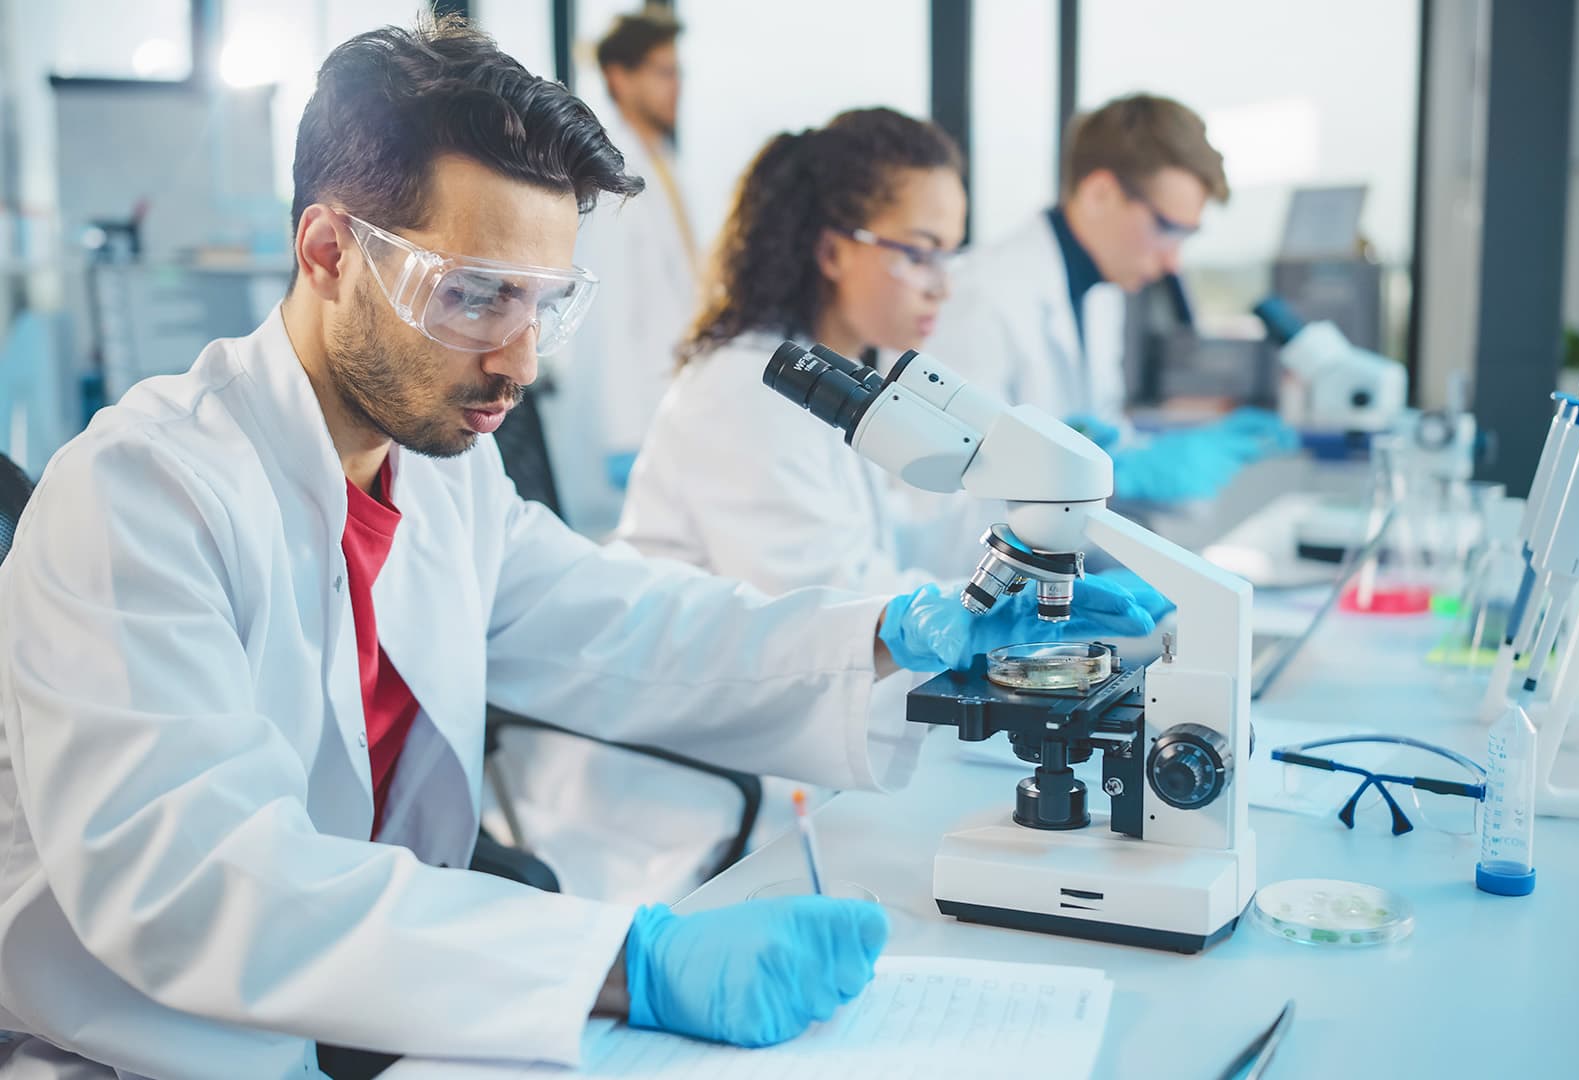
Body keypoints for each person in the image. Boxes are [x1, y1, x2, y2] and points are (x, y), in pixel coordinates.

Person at [0, 21, 1154, 1078]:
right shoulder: (144, 493)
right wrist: (621, 964)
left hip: (366, 1019)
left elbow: (628, 628)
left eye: (543, 303)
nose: (519, 361)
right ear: (328, 251)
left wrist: (893, 640)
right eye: (474, 296)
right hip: (143, 1053)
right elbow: (194, 884)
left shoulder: (441, 472)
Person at [616, 107, 968, 595]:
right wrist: (983, 615)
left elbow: (885, 541)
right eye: (919, 254)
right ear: (832, 252)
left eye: (949, 254)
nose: (942, 288)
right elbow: (826, 603)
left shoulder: (833, 371)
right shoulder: (750, 390)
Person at [924, 94, 1297, 506]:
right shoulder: (977, 297)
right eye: (1166, 229)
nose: (1173, 262)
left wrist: (1134, 459)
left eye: (1186, 237)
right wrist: (1078, 476)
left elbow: (1104, 432)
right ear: (1100, 193)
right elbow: (939, 497)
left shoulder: (1104, 296)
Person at [546, 6, 699, 530]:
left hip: (666, 401)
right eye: (663, 72)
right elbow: (606, 312)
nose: (676, 86)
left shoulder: (661, 161)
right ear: (619, 77)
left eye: (678, 72)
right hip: (628, 421)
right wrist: (623, 435)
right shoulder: (608, 172)